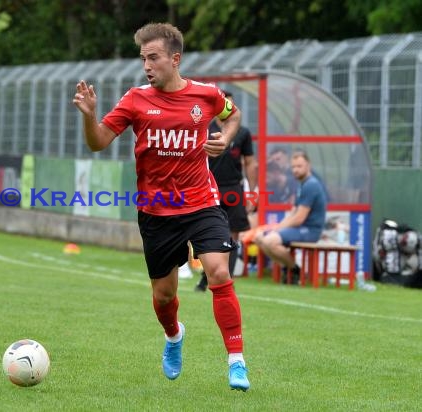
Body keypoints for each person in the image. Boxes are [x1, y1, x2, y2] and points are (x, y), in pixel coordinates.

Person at [72, 22, 250, 391]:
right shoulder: (135, 99)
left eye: (153, 58)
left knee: (218, 271)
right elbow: (99, 142)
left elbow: (232, 115)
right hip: (156, 210)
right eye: (143, 59)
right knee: (164, 295)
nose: (147, 65)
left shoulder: (206, 95)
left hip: (201, 201)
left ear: (175, 58)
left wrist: (225, 138)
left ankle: (236, 361)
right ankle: (173, 336)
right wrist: (90, 116)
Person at [195, 95, 257, 292]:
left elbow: (250, 162)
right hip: (208, 188)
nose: (226, 108)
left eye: (230, 104)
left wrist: (252, 192)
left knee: (232, 236)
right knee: (208, 236)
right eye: (223, 104)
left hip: (234, 188)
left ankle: (226, 281)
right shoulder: (205, 129)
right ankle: (206, 278)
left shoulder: (243, 133)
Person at [254, 151, 327, 284]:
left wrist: (277, 229)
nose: (295, 170)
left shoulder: (311, 185)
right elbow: (293, 213)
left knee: (270, 241)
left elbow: (299, 218)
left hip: (310, 230)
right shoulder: (302, 184)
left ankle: (295, 270)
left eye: (299, 166)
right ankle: (287, 269)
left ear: (308, 165)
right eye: (293, 167)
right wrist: (277, 227)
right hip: (300, 228)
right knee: (259, 238)